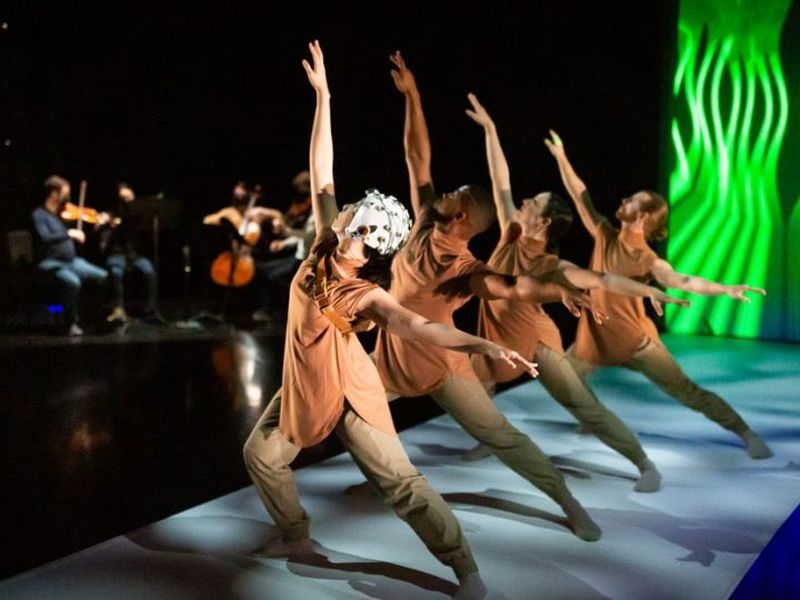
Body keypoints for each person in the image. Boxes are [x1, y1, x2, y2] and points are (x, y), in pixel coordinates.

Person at [243, 41, 533, 599]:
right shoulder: (326, 242)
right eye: (352, 213)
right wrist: (324, 97)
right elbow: (320, 170)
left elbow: (419, 328)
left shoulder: (361, 290)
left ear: (368, 239)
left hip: (351, 389)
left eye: (358, 218)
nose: (347, 213)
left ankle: (463, 566)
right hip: (305, 380)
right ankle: (297, 537)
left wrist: (483, 347)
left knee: (398, 482)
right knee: (260, 454)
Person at [372, 51, 603, 541]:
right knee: (334, 403)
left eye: (453, 196)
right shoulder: (425, 221)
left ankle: (567, 500)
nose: (443, 195)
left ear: (463, 220)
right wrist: (412, 96)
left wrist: (562, 290)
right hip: (390, 355)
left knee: (499, 435)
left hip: (440, 361)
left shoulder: (465, 267)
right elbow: (417, 157)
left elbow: (513, 286)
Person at [460, 94, 690, 492]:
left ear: (544, 220)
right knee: (481, 389)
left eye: (532, 202)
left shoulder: (550, 265)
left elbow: (602, 281)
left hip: (536, 342)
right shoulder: (511, 231)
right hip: (495, 334)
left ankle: (644, 463)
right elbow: (501, 183)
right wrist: (491, 130)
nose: (523, 202)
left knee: (581, 404)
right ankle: (488, 438)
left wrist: (656, 293)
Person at [544, 129, 773, 459]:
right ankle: (595, 420)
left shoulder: (646, 258)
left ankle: (744, 432)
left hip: (635, 341)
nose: (623, 201)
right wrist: (562, 157)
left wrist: (725, 289)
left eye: (632, 200)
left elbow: (681, 279)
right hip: (594, 337)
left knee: (688, 392)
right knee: (561, 381)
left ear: (644, 217)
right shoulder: (604, 233)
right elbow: (580, 195)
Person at [31, 175, 109, 335]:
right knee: (73, 282)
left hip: (71, 261)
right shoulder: (39, 215)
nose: (68, 197)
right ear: (54, 194)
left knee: (102, 275)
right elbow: (45, 237)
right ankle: (70, 323)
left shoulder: (62, 214)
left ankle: (93, 317)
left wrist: (100, 220)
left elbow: (84, 221)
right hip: (50, 263)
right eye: (65, 193)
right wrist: (69, 233)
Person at [251, 171, 316, 324]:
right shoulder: (310, 208)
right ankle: (276, 310)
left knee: (273, 277)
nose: (301, 195)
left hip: (307, 261)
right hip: (298, 256)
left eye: (302, 190)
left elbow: (308, 235)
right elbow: (303, 236)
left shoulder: (317, 211)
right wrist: (284, 243)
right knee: (264, 270)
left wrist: (284, 230)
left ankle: (276, 312)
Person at [100, 182, 157, 323]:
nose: (128, 202)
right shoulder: (112, 214)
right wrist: (105, 223)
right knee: (116, 273)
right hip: (116, 254)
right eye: (124, 199)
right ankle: (118, 309)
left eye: (130, 198)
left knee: (149, 270)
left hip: (135, 255)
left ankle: (150, 308)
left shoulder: (138, 216)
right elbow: (101, 232)